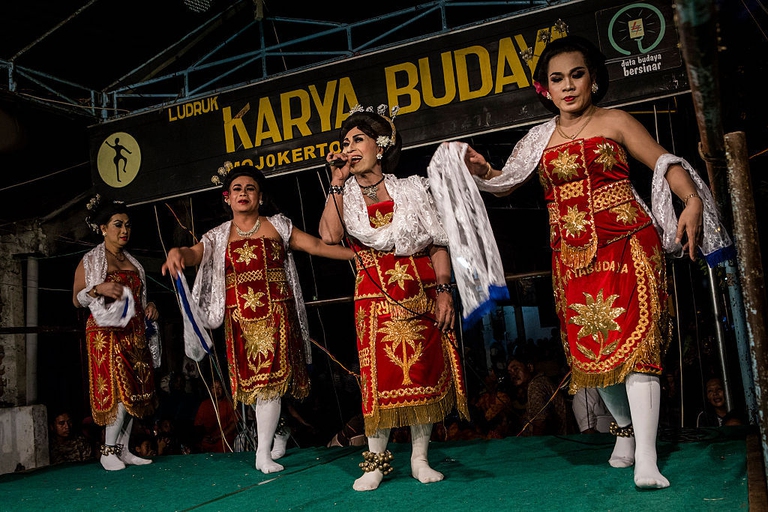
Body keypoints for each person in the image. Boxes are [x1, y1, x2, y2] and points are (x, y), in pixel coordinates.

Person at [456, 35, 732, 488]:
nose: (568, 86)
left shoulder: (616, 121)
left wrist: (691, 202)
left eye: (577, 75)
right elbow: (505, 181)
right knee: (593, 356)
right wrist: (483, 171)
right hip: (571, 258)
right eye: (557, 79)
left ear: (595, 79)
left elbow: (665, 163)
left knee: (638, 351)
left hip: (627, 244)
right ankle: (623, 434)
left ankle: (647, 456)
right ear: (545, 87)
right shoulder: (538, 138)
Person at [162, 163, 354, 474]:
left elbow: (317, 246)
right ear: (227, 198)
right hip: (240, 323)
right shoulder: (218, 236)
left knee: (270, 385)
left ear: (260, 197)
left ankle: (261, 453)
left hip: (277, 318)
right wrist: (177, 254)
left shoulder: (278, 226)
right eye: (236, 189)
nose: (243, 193)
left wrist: (359, 255)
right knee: (254, 389)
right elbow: (194, 253)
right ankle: (278, 430)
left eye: (249, 188)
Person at [318, 104, 469, 491]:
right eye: (345, 142)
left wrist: (444, 290)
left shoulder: (412, 188)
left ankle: (419, 458)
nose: (349, 147)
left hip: (418, 289)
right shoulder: (346, 194)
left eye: (357, 140)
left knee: (421, 371)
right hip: (374, 295)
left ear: (380, 147)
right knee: (378, 378)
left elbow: (437, 242)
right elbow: (330, 236)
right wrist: (337, 181)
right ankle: (376, 462)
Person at [73, 196, 161, 471]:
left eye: (128, 226)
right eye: (118, 225)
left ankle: (122, 450)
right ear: (102, 228)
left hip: (134, 332)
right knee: (120, 392)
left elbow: (141, 296)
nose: (124, 231)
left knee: (135, 392)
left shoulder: (134, 262)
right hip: (107, 333)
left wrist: (150, 306)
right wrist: (98, 288)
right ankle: (107, 450)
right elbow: (77, 299)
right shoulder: (91, 260)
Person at [506, 355, 569, 436]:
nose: (513, 375)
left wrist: (536, 445)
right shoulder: (540, 382)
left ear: (530, 367)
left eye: (516, 369)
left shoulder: (536, 385)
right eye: (510, 372)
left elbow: (540, 422)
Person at [194, 379, 239, 453]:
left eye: (219, 388)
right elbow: (198, 425)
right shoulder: (204, 405)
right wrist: (202, 437)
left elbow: (234, 424)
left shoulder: (229, 403)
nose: (217, 391)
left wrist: (219, 437)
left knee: (223, 446)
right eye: (214, 388)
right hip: (209, 439)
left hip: (225, 438)